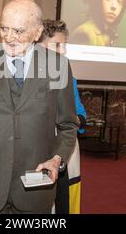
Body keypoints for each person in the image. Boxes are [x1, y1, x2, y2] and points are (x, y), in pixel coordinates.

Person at [0, 0, 78, 214]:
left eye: (18, 31)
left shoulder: (58, 66)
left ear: (37, 33)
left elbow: (67, 125)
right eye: (4, 28)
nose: (9, 37)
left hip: (35, 185)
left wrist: (57, 159)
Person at [39, 19, 87, 214]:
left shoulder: (68, 78)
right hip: (38, 150)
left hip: (67, 152)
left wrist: (71, 120)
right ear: (38, 46)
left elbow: (82, 116)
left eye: (64, 45)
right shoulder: (25, 78)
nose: (63, 51)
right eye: (57, 45)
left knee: (63, 203)